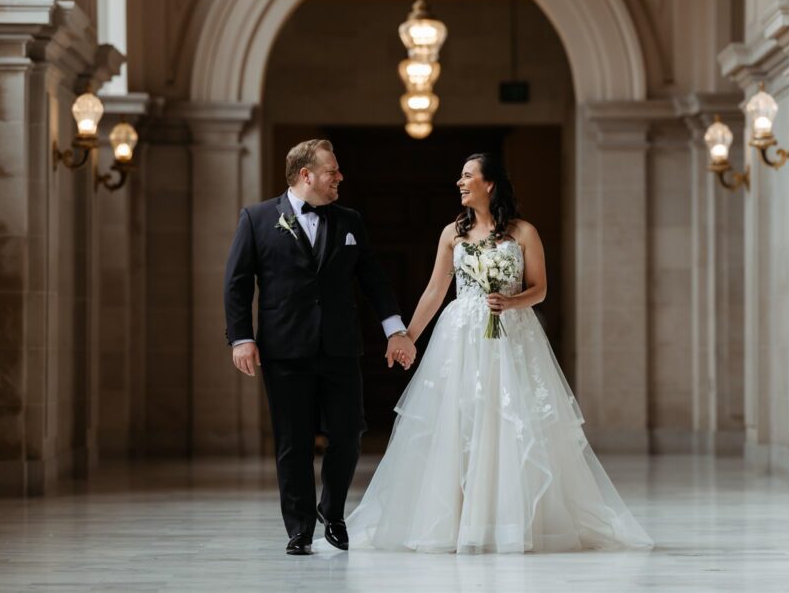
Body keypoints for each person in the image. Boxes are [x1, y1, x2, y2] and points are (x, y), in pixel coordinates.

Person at [342, 152, 654, 553]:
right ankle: (455, 522)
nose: (459, 181)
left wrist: (511, 302)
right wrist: (407, 336)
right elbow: (436, 291)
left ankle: (507, 522)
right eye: (460, 175)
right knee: (460, 423)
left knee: (509, 423)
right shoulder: (451, 233)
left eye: (467, 175)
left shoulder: (523, 233)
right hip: (460, 339)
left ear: (489, 184)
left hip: (512, 335)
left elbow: (540, 288)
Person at [223, 139, 416, 555]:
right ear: (306, 175)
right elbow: (237, 284)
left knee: (348, 433)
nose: (339, 177)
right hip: (284, 348)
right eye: (333, 170)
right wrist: (241, 338)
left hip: (340, 347)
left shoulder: (350, 221)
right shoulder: (256, 219)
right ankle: (298, 527)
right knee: (293, 441)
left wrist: (395, 330)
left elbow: (373, 280)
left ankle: (333, 508)